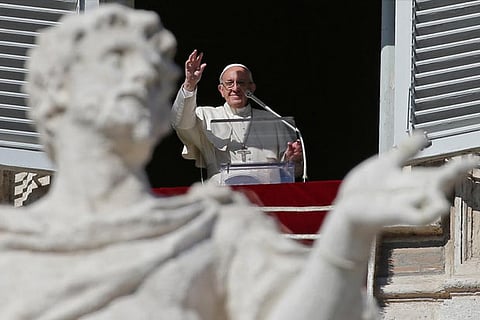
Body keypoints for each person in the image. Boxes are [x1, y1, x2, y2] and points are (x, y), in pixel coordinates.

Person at [0, 4, 476, 320]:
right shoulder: (10, 243)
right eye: (100, 80)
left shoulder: (217, 228)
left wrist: (347, 232)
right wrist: (189, 87)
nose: (124, 96)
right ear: (48, 101)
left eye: (142, 83)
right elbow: (186, 123)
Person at [171, 50, 304, 184]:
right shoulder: (205, 116)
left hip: (267, 196)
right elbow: (180, 123)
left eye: (241, 83)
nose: (235, 88)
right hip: (223, 195)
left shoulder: (273, 120)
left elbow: (295, 171)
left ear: (251, 88)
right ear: (221, 90)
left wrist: (292, 161)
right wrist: (190, 83)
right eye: (229, 83)